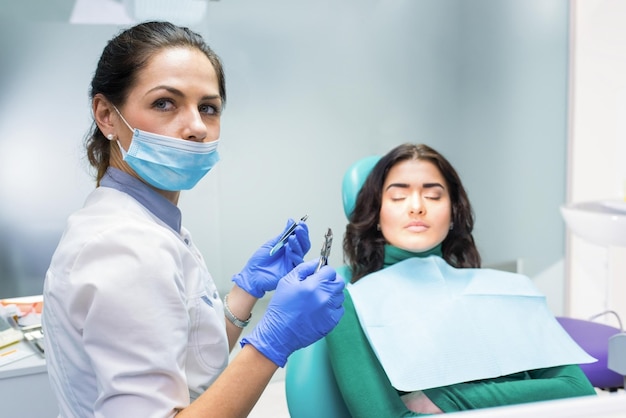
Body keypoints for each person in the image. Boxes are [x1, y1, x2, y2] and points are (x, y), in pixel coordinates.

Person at [42, 21, 345, 418]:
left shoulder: (149, 222)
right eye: (165, 103)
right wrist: (273, 342)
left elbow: (186, 364)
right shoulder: (123, 245)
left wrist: (246, 291)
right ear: (106, 115)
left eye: (208, 108)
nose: (198, 127)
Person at [325, 143, 595, 416]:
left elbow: (578, 391)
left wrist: (442, 399)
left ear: (454, 212)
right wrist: (526, 394)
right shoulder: (350, 303)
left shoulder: (506, 288)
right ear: (376, 216)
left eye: (432, 196)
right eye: (398, 197)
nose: (417, 207)